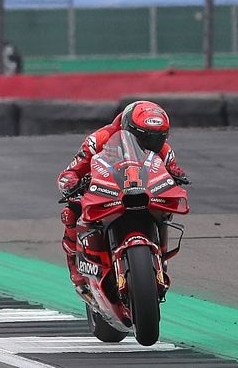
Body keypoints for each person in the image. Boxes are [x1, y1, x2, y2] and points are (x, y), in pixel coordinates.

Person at [56, 101, 190, 290]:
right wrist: (71, 182)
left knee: (165, 209)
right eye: (144, 137)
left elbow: (173, 169)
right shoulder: (99, 139)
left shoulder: (163, 149)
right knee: (71, 210)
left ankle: (160, 255)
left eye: (158, 138)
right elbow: (71, 171)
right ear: (129, 128)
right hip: (107, 188)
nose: (151, 143)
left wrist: (177, 174)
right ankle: (76, 269)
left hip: (143, 189)